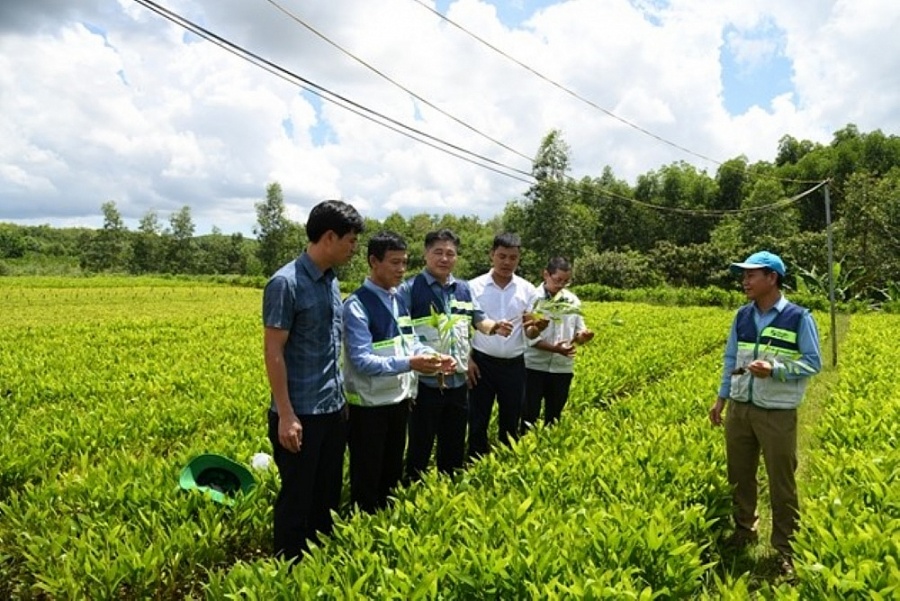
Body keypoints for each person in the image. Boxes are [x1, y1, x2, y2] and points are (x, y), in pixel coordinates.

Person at [708, 250, 821, 578]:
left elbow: (813, 362)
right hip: (741, 408)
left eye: (751, 275)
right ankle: (745, 529)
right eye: (744, 276)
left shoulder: (799, 318)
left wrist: (775, 369)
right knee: (739, 474)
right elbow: (731, 359)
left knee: (781, 481)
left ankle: (786, 547)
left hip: (777, 413)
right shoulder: (741, 316)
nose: (745, 281)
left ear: (772, 278)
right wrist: (721, 400)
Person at [262, 199, 364, 562]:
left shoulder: (331, 281)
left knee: (326, 495)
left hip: (332, 409)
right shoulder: (285, 283)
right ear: (330, 236)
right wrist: (286, 415)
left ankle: (319, 568)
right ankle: (288, 571)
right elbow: (274, 351)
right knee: (296, 500)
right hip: (300, 414)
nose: (354, 248)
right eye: (351, 240)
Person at [342, 231, 455, 513]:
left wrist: (432, 356)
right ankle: (361, 534)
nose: (402, 269)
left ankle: (384, 531)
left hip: (399, 401)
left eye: (405, 262)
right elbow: (361, 361)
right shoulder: (356, 305)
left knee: (391, 475)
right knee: (367, 478)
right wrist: (411, 364)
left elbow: (411, 340)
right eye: (394, 262)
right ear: (373, 261)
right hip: (369, 407)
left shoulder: (398, 299)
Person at [398, 229, 512, 481]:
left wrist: (494, 327)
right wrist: (430, 359)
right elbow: (405, 333)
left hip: (458, 383)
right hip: (425, 384)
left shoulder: (463, 288)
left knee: (453, 447)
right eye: (438, 252)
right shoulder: (409, 289)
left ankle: (447, 493)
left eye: (450, 253)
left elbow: (478, 318)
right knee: (420, 447)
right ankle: (414, 495)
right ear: (425, 254)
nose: (444, 258)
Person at [467, 233, 548, 458]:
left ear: (518, 259)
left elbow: (529, 330)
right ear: (491, 255)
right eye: (502, 256)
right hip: (482, 364)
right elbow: (463, 327)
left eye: (513, 258)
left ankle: (506, 466)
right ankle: (474, 464)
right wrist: (468, 359)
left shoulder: (526, 289)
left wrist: (538, 327)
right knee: (477, 420)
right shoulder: (473, 287)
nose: (507, 262)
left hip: (514, 365)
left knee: (511, 420)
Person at [521, 257, 594, 430]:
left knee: (554, 418)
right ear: (546, 274)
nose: (561, 285)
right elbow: (529, 336)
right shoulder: (531, 299)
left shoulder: (573, 301)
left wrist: (583, 336)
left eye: (566, 282)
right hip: (533, 367)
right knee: (528, 416)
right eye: (557, 280)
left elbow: (578, 331)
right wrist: (553, 346)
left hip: (562, 368)